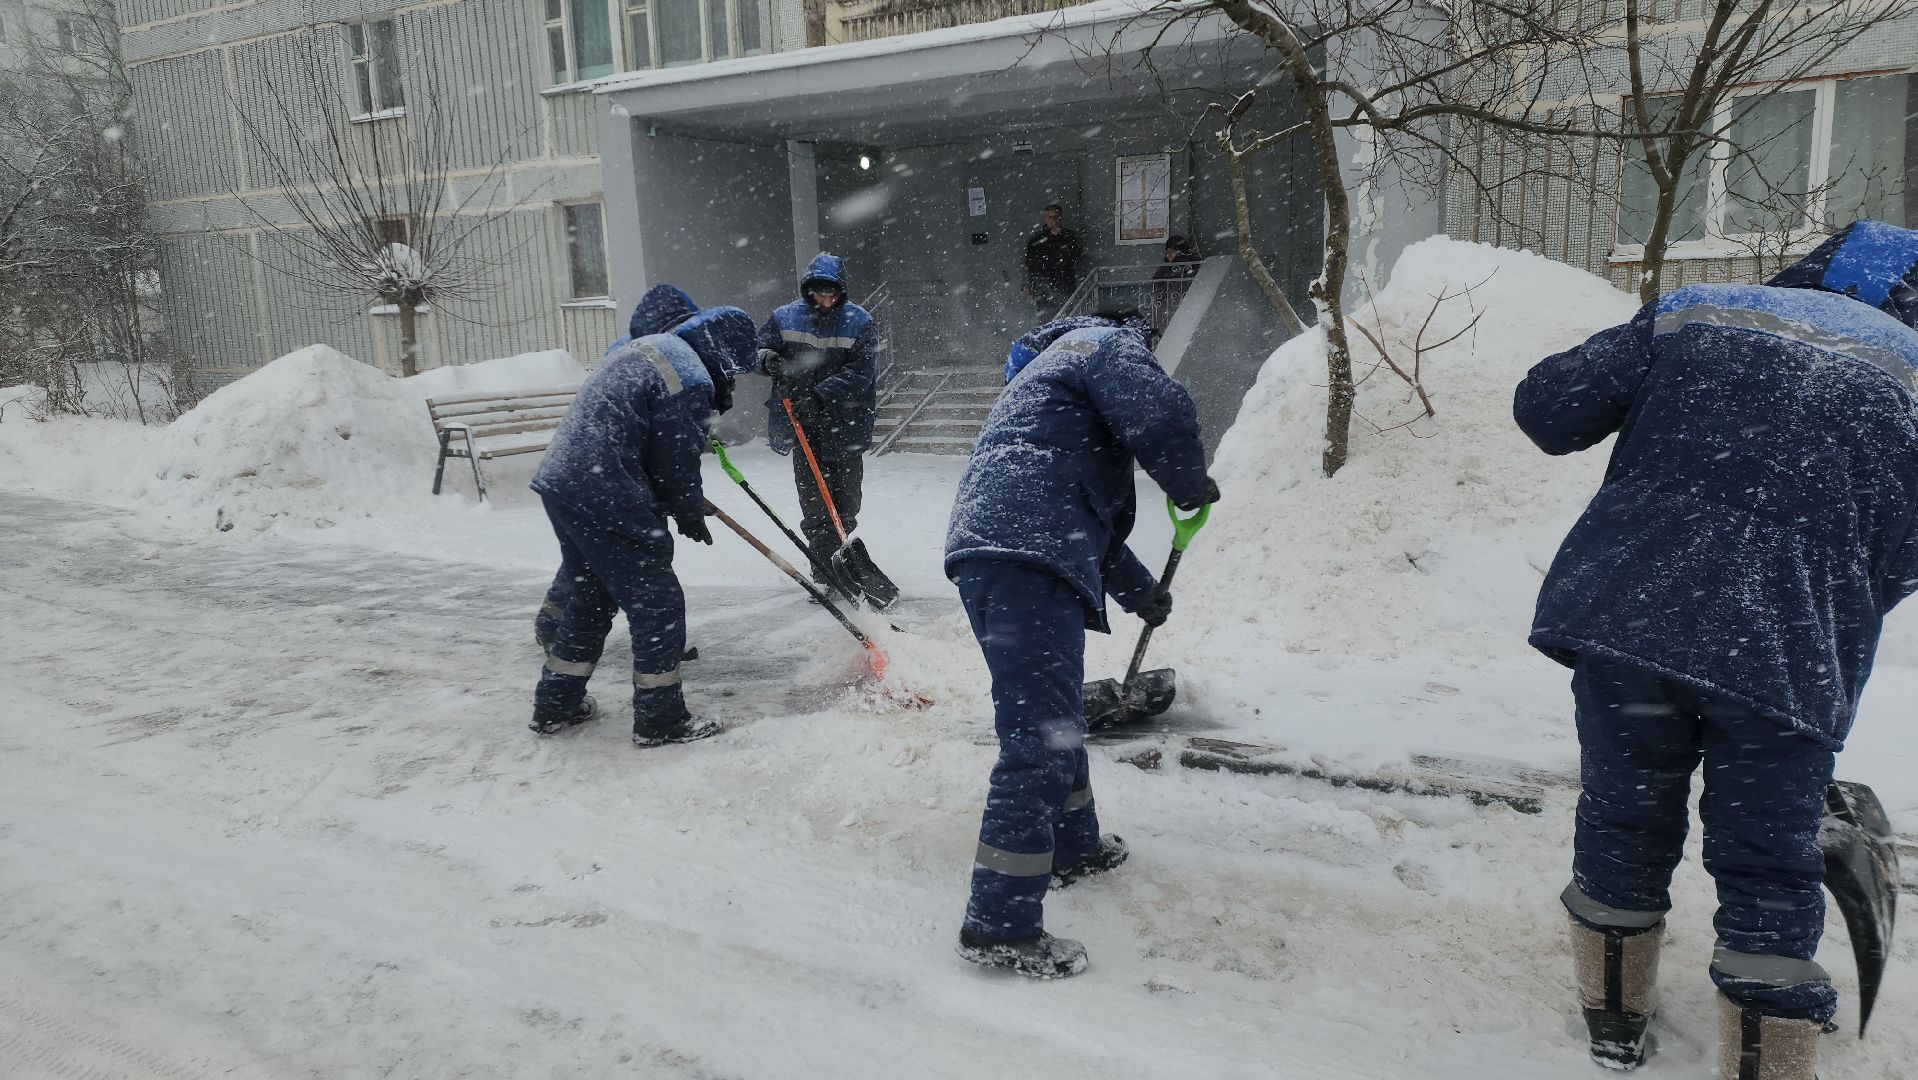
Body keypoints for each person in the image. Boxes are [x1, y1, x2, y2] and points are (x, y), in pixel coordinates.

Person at [1514, 219, 1918, 1078]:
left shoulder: (1697, 312)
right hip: (1784, 652)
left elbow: (1548, 411)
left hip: (1631, 617)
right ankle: (1768, 1058)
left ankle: (1612, 1019)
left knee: (1624, 815)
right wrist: (1834, 583)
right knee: (1770, 860)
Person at [945, 305, 1219, 978]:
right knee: (1036, 741)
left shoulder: (1046, 384)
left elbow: (1076, 514)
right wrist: (1188, 482)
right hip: (1025, 557)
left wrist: (1139, 590)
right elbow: (1159, 413)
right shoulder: (1100, 343)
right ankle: (999, 924)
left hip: (1005, 552)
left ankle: (1076, 846)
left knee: (1055, 720)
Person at [528, 288, 755, 748]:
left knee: (591, 596)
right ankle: (660, 719)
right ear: (722, 354)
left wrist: (678, 499)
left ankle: (556, 704)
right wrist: (689, 511)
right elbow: (674, 462)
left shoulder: (653, 350)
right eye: (732, 372)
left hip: (563, 482)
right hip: (606, 489)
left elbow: (645, 440)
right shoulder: (689, 374)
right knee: (658, 604)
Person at [534, 283, 703, 652]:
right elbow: (664, 439)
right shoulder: (652, 354)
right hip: (609, 474)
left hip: (605, 471)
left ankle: (656, 642)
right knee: (601, 562)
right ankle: (555, 625)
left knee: (592, 560)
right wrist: (684, 498)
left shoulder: (641, 350)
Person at [750, 253, 878, 581]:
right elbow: (757, 350)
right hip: (803, 427)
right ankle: (825, 571)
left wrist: (820, 396)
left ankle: (843, 558)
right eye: (818, 294)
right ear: (808, 291)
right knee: (815, 503)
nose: (824, 301)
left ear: (841, 292)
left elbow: (860, 372)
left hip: (845, 425)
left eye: (831, 295)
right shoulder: (784, 318)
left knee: (846, 501)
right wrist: (769, 360)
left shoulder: (859, 322)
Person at [1023, 203, 1084, 317]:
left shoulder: (1069, 237)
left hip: (1064, 281)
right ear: (1045, 218)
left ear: (1060, 217)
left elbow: (1076, 255)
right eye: (1049, 217)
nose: (1052, 220)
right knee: (1046, 316)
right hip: (1043, 284)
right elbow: (1029, 263)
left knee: (1066, 314)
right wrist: (1027, 283)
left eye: (1055, 216)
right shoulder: (1037, 240)